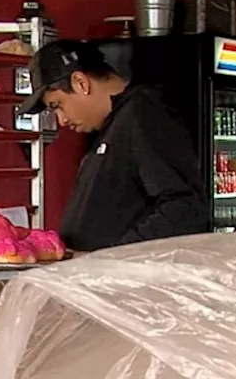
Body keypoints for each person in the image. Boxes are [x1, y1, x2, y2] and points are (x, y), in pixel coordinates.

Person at [17, 39, 209, 252]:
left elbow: (183, 208)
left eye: (57, 105)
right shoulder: (112, 125)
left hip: (125, 280)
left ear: (81, 82)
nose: (61, 120)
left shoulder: (144, 113)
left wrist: (115, 259)